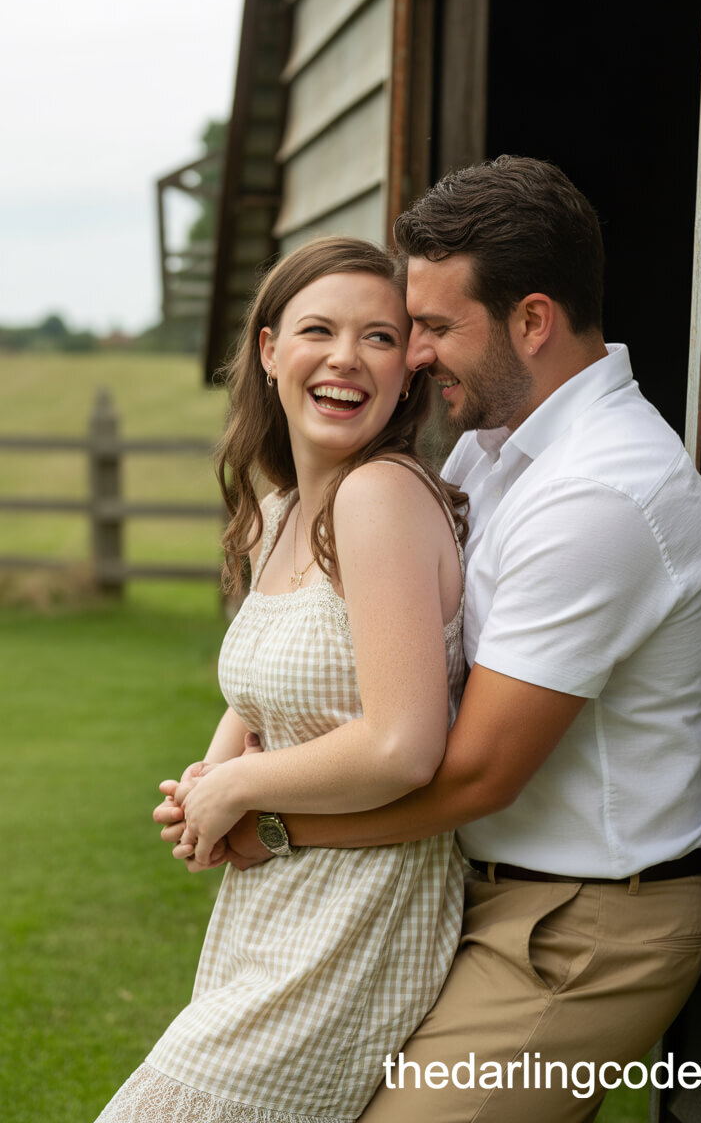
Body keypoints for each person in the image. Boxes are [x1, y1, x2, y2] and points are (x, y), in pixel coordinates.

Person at [161, 155, 701, 1122]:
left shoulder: (600, 490)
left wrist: (272, 822)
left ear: (533, 320)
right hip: (476, 892)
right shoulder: (494, 450)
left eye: (429, 327)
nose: (411, 356)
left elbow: (473, 775)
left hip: (581, 926)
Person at [95, 236, 469, 1123]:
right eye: (318, 330)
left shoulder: (379, 499)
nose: (346, 358)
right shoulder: (280, 511)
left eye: (379, 338)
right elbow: (260, 689)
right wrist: (204, 785)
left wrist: (242, 785)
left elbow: (404, 744)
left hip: (360, 911)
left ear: (407, 371)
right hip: (273, 902)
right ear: (269, 352)